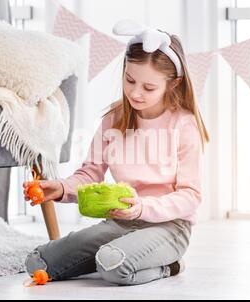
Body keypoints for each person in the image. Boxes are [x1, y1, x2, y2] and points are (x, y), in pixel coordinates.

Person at [23, 19, 209, 286]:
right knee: (38, 262)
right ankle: (110, 255)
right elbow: (90, 173)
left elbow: (190, 197)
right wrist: (62, 189)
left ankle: (170, 266)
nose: (135, 93)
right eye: (130, 80)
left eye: (148, 87)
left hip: (169, 226)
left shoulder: (184, 125)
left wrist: (143, 207)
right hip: (121, 223)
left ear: (174, 83)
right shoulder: (114, 119)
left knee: (113, 266)